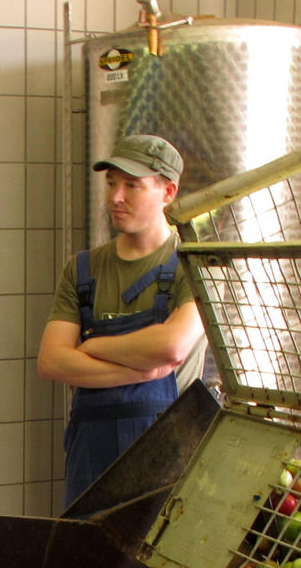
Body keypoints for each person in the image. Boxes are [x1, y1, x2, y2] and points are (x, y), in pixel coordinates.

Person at [36, 134, 208, 509]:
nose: (115, 196)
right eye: (112, 182)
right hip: (89, 454)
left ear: (168, 191)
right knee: (85, 560)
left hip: (168, 450)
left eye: (132, 185)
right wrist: (143, 372)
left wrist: (93, 347)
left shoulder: (195, 265)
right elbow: (52, 361)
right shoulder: (83, 270)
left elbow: (172, 346)